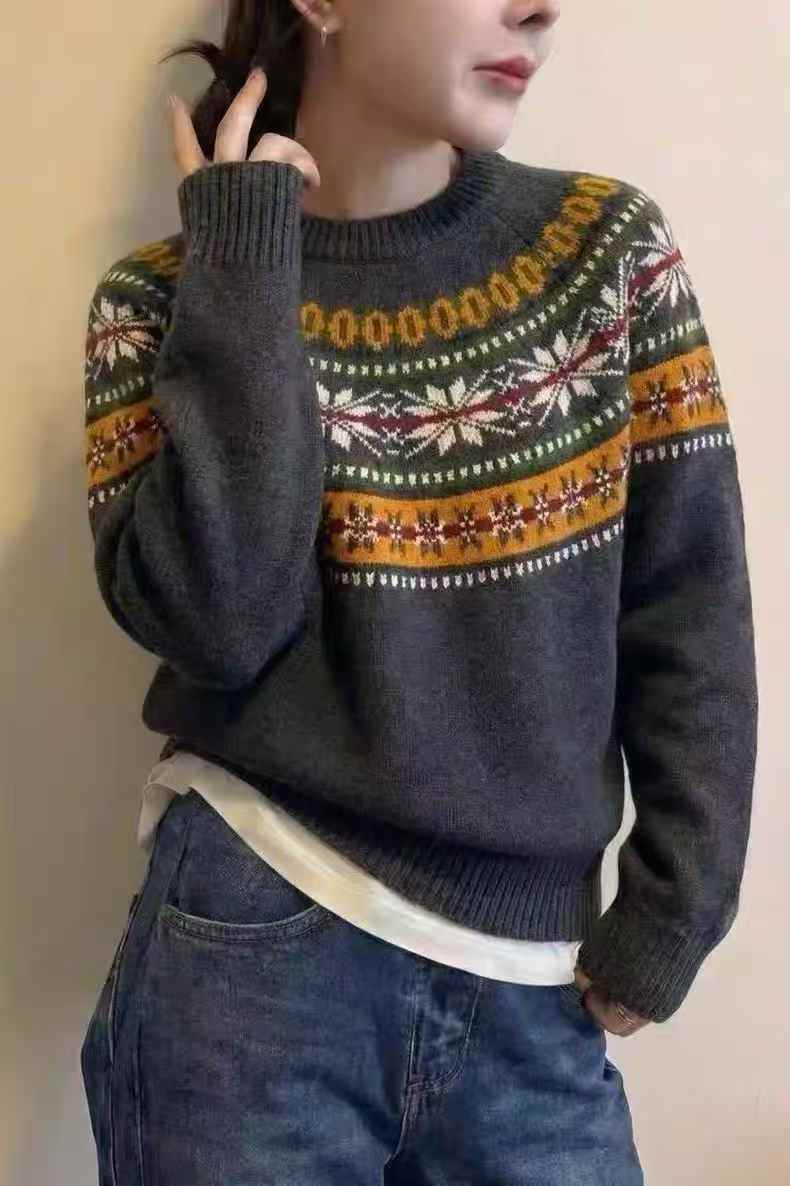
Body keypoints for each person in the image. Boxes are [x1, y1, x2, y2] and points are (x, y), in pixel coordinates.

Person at [79, 1, 758, 1182]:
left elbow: (691, 604)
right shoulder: (156, 299)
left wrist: (677, 903)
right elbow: (216, 624)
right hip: (251, 958)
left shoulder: (606, 254)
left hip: (537, 994)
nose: (539, 8)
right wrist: (240, 259)